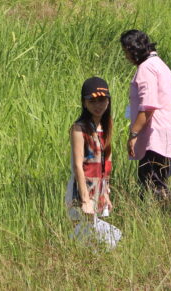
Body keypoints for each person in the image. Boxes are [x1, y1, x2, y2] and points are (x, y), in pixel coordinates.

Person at [121, 30, 171, 205]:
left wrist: (133, 134)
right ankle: (164, 214)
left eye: (125, 52)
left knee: (151, 183)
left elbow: (148, 106)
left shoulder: (146, 68)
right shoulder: (160, 65)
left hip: (155, 137)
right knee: (152, 182)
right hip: (165, 135)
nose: (126, 57)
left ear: (133, 49)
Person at [65, 77, 120, 249]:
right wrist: (85, 199)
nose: (98, 105)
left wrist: (106, 192)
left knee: (98, 241)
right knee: (82, 237)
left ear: (108, 101)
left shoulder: (106, 125)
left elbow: (106, 161)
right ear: (84, 103)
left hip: (100, 189)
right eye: (92, 101)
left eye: (102, 100)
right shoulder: (79, 128)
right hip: (82, 189)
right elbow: (78, 165)